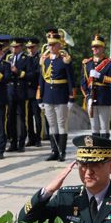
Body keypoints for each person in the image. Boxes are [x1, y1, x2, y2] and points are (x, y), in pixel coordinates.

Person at [39, 29, 75, 161]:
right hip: (48, 96)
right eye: (50, 45)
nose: (51, 47)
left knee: (61, 124)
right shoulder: (45, 61)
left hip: (61, 96)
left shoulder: (64, 60)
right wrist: (40, 97)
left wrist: (71, 97)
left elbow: (71, 80)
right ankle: (54, 151)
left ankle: (62, 152)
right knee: (52, 124)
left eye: (54, 44)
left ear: (59, 45)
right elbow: (42, 79)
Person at [81, 34, 111, 140]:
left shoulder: (109, 63)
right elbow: (83, 83)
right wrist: (88, 97)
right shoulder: (87, 64)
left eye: (97, 47)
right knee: (94, 127)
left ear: (102, 48)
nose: (94, 49)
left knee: (104, 127)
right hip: (91, 99)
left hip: (104, 98)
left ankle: (105, 151)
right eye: (93, 46)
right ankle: (96, 151)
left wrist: (100, 76)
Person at [5, 38, 29, 152]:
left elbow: (31, 74)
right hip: (10, 91)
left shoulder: (26, 59)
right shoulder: (9, 58)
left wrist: (18, 71)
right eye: (13, 47)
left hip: (20, 91)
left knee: (21, 118)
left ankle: (21, 143)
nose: (14, 49)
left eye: (17, 47)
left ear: (21, 47)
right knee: (11, 118)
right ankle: (13, 142)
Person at [25, 38, 42, 147]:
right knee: (28, 117)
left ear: (37, 47)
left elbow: (37, 73)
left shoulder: (40, 58)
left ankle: (38, 138)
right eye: (29, 48)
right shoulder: (25, 59)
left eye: (32, 47)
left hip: (36, 89)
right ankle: (30, 137)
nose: (30, 49)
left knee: (37, 116)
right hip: (26, 91)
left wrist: (25, 75)